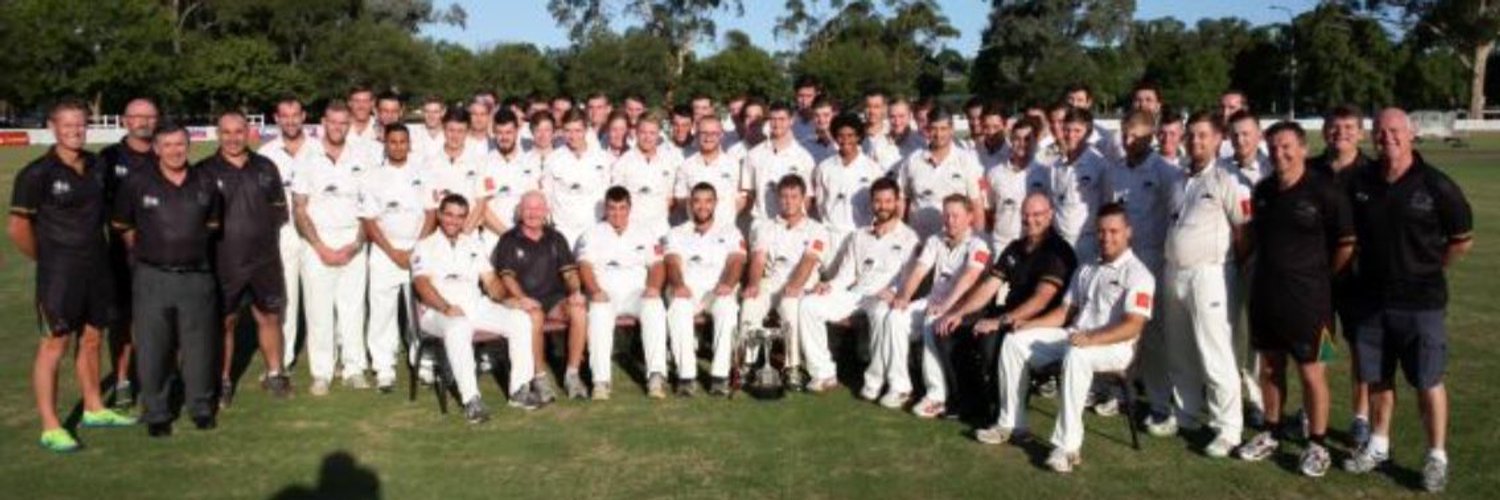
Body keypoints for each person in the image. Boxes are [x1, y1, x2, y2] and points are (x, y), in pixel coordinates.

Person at [1342, 109, 1473, 493]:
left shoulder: (1437, 185)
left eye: (1395, 130)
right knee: (1379, 378)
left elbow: (1461, 240)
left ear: (1411, 134)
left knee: (1427, 381)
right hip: (1371, 301)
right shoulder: (1362, 182)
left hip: (1422, 303)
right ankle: (1378, 444)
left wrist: (1428, 269)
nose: (1388, 138)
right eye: (1381, 132)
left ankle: (1436, 456)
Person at [981, 204, 1155, 474]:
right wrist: (1027, 324)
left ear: (1128, 232)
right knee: (1015, 341)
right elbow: (1064, 313)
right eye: (1101, 231)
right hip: (1076, 336)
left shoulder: (1139, 274)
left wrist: (1091, 338)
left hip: (1115, 346)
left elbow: (1133, 326)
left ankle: (1067, 448)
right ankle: (1013, 424)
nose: (1106, 237)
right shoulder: (1087, 268)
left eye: (1113, 231)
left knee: (1077, 355)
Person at [10, 99, 138, 452]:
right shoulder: (36, 174)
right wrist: (49, 260)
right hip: (58, 275)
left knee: (93, 338)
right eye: (67, 125)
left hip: (97, 268)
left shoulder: (98, 166)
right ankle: (50, 426)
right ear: (53, 127)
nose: (75, 131)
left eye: (80, 124)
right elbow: (19, 229)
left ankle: (94, 407)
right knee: (55, 345)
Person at [1232, 121, 1354, 478]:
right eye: (1273, 147)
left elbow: (1345, 245)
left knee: (1313, 372)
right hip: (1267, 296)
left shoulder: (1325, 192)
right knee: (1270, 367)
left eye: (1287, 146)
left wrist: (1319, 278)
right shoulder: (1264, 190)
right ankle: (1270, 431)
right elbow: (1254, 235)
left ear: (1303, 148)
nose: (1280, 153)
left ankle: (1317, 443)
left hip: (1312, 302)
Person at [113, 123, 223, 436]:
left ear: (188, 146)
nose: (175, 151)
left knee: (199, 346)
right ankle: (157, 412)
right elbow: (125, 228)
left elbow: (211, 227)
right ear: (156, 149)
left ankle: (200, 407)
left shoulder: (205, 182)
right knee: (152, 348)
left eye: (180, 144)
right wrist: (153, 254)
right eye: (168, 145)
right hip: (152, 277)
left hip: (196, 277)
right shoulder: (137, 183)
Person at [1157, 111, 1250, 457]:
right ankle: (1186, 414)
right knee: (1180, 350)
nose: (1196, 141)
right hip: (1174, 271)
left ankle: (1229, 428)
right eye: (1191, 136)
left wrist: (1229, 269)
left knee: (1215, 352)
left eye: (1203, 135)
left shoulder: (1228, 178)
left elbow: (1243, 230)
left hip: (1210, 273)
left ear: (1217, 139)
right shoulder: (1180, 179)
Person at [937, 193, 1078, 419]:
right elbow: (989, 286)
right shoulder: (1015, 247)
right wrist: (959, 313)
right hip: (1008, 312)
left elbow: (1041, 300)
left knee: (990, 339)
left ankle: (996, 408)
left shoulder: (1058, 252)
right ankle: (967, 400)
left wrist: (999, 321)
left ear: (1050, 216)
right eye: (1025, 216)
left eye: (1037, 215)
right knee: (948, 329)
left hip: (1040, 322)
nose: (1030, 220)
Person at [414, 195, 543, 422]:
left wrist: (508, 300)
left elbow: (491, 281)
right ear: (440, 215)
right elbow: (422, 285)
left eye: (460, 216)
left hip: (475, 306)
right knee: (458, 325)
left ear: (466, 218)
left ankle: (519, 391)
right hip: (437, 312)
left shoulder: (473, 244)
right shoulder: (424, 246)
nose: (454, 221)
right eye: (449, 214)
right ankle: (471, 400)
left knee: (520, 319)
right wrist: (445, 307)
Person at [198, 111, 293, 403]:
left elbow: (279, 211)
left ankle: (275, 374)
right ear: (218, 134)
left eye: (238, 131)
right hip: (224, 261)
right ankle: (223, 381)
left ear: (248, 131)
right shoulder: (203, 171)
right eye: (226, 132)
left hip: (264, 259)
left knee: (270, 316)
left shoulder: (266, 166)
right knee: (225, 321)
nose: (233, 138)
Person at [800, 178, 919, 402]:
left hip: (885, 296)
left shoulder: (909, 238)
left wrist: (894, 292)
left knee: (881, 311)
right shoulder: (860, 235)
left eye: (888, 201)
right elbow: (846, 275)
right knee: (809, 304)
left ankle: (876, 381)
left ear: (897, 203)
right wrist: (829, 285)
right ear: (871, 203)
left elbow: (909, 277)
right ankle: (823, 373)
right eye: (877, 201)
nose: (882, 206)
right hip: (856, 295)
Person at [291, 101, 374, 395]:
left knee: (353, 308)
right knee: (319, 310)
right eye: (333, 122)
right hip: (317, 243)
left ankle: (354, 368)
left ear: (349, 124)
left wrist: (356, 244)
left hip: (353, 240)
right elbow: (299, 208)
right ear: (323, 122)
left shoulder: (361, 155)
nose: (338, 128)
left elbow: (369, 206)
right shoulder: (307, 155)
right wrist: (320, 247)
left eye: (343, 123)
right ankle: (322, 373)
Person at [886, 195, 992, 418]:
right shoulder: (935, 240)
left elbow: (970, 277)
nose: (950, 220)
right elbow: (919, 271)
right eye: (947, 215)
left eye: (956, 216)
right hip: (934, 301)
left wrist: (946, 306)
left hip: (963, 306)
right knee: (896, 316)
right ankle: (901, 387)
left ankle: (936, 396)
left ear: (970, 217)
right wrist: (904, 296)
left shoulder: (979, 244)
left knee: (931, 322)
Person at [1309, 104, 1377, 446]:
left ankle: (1361, 416)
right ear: (1324, 132)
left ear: (1361, 133)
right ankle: (1311, 410)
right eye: (1335, 127)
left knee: (1360, 350)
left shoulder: (1373, 173)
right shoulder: (1310, 170)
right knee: (1320, 347)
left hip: (1358, 279)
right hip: (1316, 279)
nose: (1342, 133)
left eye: (1349, 128)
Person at [359, 124, 437, 392]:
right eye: (393, 142)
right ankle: (383, 366)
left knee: (421, 308)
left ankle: (425, 361)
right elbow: (369, 220)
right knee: (382, 311)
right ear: (386, 144)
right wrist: (392, 252)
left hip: (418, 248)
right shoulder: (373, 176)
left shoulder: (423, 173)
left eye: (403, 141)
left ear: (409, 144)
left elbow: (430, 214)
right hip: (385, 250)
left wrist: (416, 249)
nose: (398, 146)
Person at [493, 192, 589, 401]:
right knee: (534, 315)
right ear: (520, 211)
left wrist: (575, 292)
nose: (533, 213)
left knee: (579, 310)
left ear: (546, 211)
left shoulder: (557, 237)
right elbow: (507, 278)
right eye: (528, 208)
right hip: (522, 300)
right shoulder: (508, 239)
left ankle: (572, 375)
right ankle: (540, 377)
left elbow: (570, 273)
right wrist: (522, 298)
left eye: (538, 208)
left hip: (553, 300)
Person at [740, 175, 832, 391]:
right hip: (771, 281)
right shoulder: (766, 227)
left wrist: (794, 286)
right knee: (750, 303)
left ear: (803, 198)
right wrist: (753, 283)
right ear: (778, 198)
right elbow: (759, 259)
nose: (788, 201)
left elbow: (809, 261)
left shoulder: (817, 229)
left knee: (790, 305)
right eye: (784, 196)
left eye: (794, 196)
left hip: (803, 283)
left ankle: (792, 367)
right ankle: (747, 363)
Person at [578, 187, 668, 400]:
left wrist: (654, 287)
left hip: (636, 292)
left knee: (655, 306)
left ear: (629, 208)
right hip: (605, 294)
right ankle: (600, 381)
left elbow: (657, 265)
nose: (617, 214)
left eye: (622, 208)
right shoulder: (592, 233)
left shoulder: (645, 232)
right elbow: (584, 266)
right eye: (612, 208)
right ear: (606, 209)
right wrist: (595, 291)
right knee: (598, 312)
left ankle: (655, 375)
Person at [100, 97, 159, 409]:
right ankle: (123, 380)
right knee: (121, 321)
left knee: (159, 318)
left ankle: (161, 375)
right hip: (120, 256)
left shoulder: (165, 154)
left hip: (161, 255)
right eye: (137, 117)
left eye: (149, 117)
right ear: (125, 121)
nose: (143, 122)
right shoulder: (108, 158)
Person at [663, 183, 747, 396]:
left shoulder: (730, 231)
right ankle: (686, 377)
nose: (702, 206)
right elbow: (672, 263)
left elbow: (736, 261)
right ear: (690, 203)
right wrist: (679, 285)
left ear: (715, 203)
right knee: (678, 308)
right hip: (688, 291)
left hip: (717, 291)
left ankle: (719, 376)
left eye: (708, 201)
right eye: (697, 201)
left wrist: (728, 283)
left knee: (727, 308)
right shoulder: (676, 232)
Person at [260, 97, 319, 373]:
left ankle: (327, 360)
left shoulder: (319, 149)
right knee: (286, 299)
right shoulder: (266, 153)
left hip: (315, 233)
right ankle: (283, 359)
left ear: (304, 116)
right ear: (277, 118)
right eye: (285, 115)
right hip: (282, 235)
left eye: (296, 115)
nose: (291, 120)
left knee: (318, 298)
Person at [898, 107, 986, 240]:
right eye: (934, 129)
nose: (939, 134)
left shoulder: (966, 160)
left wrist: (979, 240)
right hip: (918, 241)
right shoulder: (912, 161)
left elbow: (977, 206)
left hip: (955, 244)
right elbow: (902, 201)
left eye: (943, 129)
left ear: (951, 130)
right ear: (927, 130)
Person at [1043, 108, 1109, 263]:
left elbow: (1106, 205)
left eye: (1077, 131)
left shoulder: (1100, 164)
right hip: (1058, 242)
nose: (1071, 135)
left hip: (1087, 242)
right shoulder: (1055, 166)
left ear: (1088, 132)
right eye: (1067, 130)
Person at [812, 113, 885, 251]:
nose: (845, 140)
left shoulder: (873, 169)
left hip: (861, 235)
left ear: (858, 137)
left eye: (851, 135)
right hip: (830, 236)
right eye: (841, 135)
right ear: (835, 137)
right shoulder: (824, 167)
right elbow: (820, 205)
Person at [542, 110, 613, 246]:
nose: (573, 136)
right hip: (563, 231)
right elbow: (547, 195)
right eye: (568, 131)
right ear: (562, 131)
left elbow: (607, 193)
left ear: (586, 130)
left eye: (577, 130)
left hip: (595, 229)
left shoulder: (603, 158)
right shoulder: (552, 159)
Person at [611, 110, 682, 239]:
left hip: (661, 231)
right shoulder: (623, 163)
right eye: (643, 132)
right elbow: (617, 202)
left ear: (658, 135)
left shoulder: (669, 161)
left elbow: (672, 199)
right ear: (636, 133)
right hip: (632, 232)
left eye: (652, 133)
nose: (647, 137)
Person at [742, 102, 817, 225]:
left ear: (791, 121)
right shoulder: (753, 155)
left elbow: (807, 197)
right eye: (773, 119)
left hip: (792, 226)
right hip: (762, 224)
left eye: (782, 119)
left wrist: (796, 222)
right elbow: (749, 193)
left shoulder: (804, 157)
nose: (777, 124)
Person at [983, 115, 1047, 250]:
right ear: (1010, 140)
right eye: (1017, 139)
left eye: (1027, 139)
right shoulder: (994, 173)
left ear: (1035, 141)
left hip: (1034, 244)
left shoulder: (1045, 172)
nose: (1022, 143)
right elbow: (988, 210)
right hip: (1002, 244)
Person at [480, 109, 544, 236]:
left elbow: (535, 200)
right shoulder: (483, 163)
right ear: (493, 132)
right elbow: (482, 208)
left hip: (526, 235)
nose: (504, 137)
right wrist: (507, 235)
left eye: (508, 132)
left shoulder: (532, 160)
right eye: (499, 132)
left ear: (517, 132)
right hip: (492, 237)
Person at [674, 116, 744, 232]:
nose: (708, 137)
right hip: (695, 232)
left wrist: (725, 217)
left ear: (721, 135)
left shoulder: (734, 165)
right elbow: (681, 199)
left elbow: (741, 200)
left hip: (726, 231)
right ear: (696, 134)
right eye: (704, 133)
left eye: (714, 133)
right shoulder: (686, 166)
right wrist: (699, 217)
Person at [425, 107, 487, 233]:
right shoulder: (429, 164)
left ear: (467, 131)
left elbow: (481, 203)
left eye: (460, 131)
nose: (455, 136)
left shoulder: (479, 162)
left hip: (471, 233)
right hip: (440, 233)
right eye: (451, 130)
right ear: (443, 128)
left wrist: (465, 232)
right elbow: (432, 206)